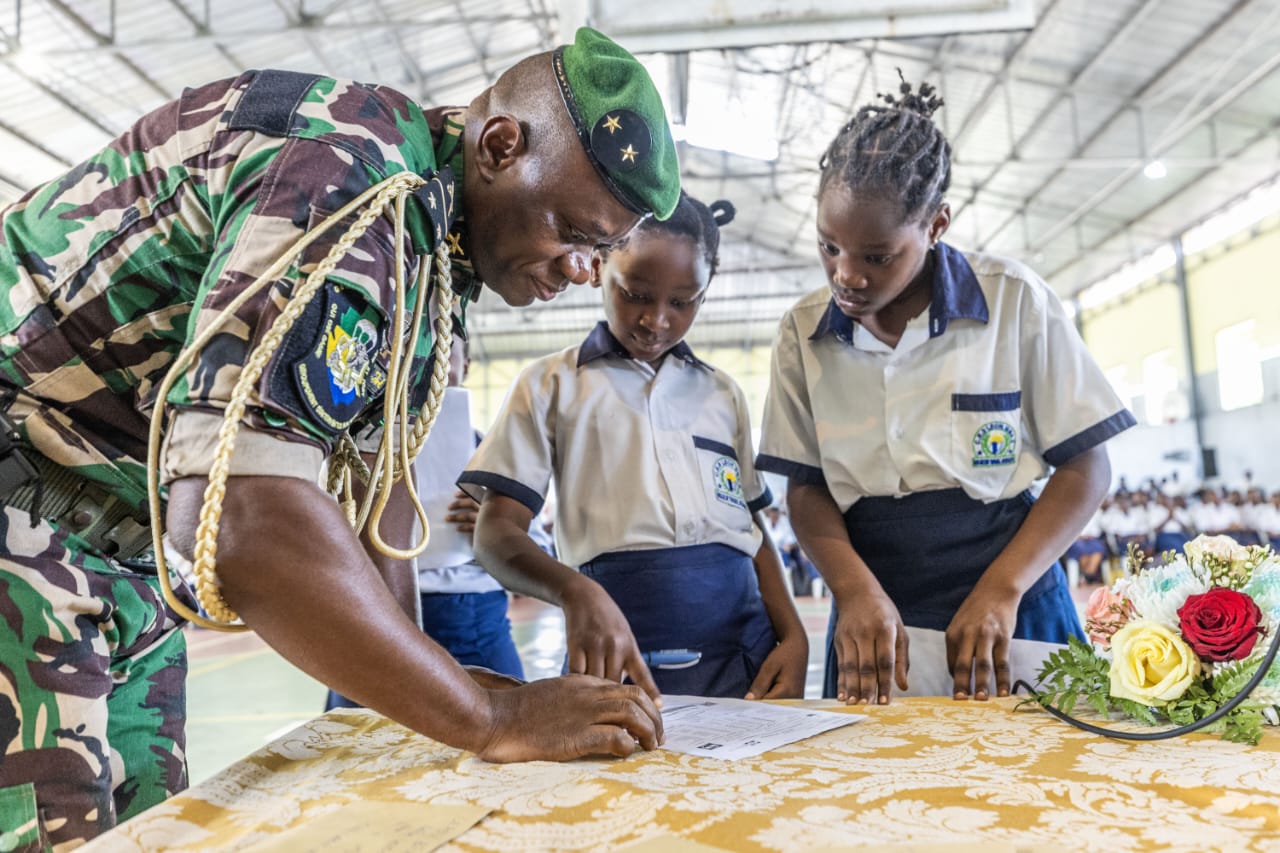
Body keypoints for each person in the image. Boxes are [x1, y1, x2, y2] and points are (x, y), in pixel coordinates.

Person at [0, 27, 680, 849]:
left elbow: (378, 486)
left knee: (156, 832)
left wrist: (433, 678)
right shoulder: (347, 180)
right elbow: (240, 524)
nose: (583, 271)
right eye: (575, 232)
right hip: (24, 511)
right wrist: (488, 713)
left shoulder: (435, 249)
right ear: (502, 145)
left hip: (118, 548)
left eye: (602, 250)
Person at [755, 73, 1135, 706]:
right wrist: (852, 592)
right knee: (881, 794)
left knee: (1038, 789)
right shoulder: (803, 332)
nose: (846, 275)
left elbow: (1087, 466)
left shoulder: (1013, 301)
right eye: (829, 247)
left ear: (936, 225)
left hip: (1013, 594)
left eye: (877, 256)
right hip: (874, 611)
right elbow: (807, 489)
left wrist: (1002, 590)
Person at [461, 193, 808, 700]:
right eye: (636, 294)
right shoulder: (551, 386)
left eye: (682, 301)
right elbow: (494, 534)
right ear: (599, 266)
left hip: (745, 659)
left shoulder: (722, 393)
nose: (657, 320)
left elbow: (752, 530)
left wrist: (794, 635)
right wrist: (575, 592)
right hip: (614, 658)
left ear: (705, 294)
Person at [325, 334, 523, 711]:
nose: (426, 368)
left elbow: (538, 550)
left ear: (464, 368)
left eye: (443, 356)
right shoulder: (344, 449)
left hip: (467, 615)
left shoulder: (491, 454)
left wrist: (497, 527)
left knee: (499, 740)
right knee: (358, 745)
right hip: (368, 611)